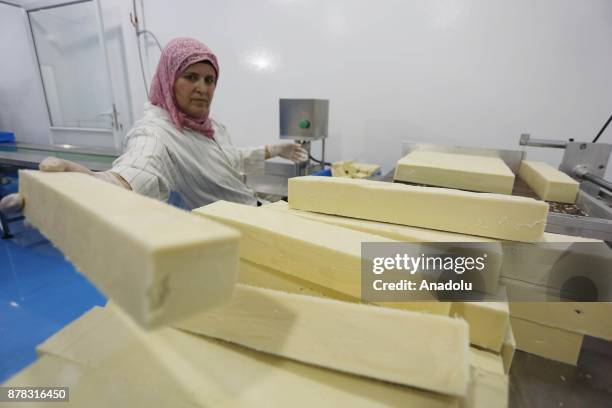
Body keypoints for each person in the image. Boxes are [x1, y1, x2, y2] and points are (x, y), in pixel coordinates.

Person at [0, 37, 307, 214]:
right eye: (190, 77)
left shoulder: (207, 126)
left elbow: (227, 160)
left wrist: (272, 149)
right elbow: (137, 172)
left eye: (209, 79)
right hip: (232, 229)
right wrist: (93, 184)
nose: (203, 88)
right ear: (168, 80)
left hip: (255, 208)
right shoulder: (157, 132)